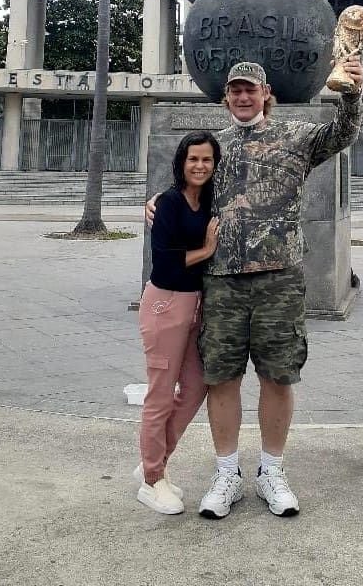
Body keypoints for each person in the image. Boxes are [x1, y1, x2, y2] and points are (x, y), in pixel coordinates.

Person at [146, 58, 363, 519]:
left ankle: (271, 471)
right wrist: (159, 201)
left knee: (278, 376)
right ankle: (226, 473)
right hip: (221, 282)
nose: (243, 97)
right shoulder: (215, 147)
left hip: (279, 281)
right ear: (225, 98)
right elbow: (186, 185)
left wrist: (351, 92)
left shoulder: (298, 138)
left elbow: (343, 134)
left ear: (266, 94)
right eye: (235, 91)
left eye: (251, 90)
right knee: (221, 376)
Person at [135, 131, 220, 515]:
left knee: (197, 386)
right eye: (193, 159)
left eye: (206, 159)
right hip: (165, 305)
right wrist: (206, 250)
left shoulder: (209, 203)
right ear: (181, 163)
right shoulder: (168, 202)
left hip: (196, 305)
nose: (199, 166)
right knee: (160, 393)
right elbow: (165, 263)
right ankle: (152, 480)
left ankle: (154, 460)